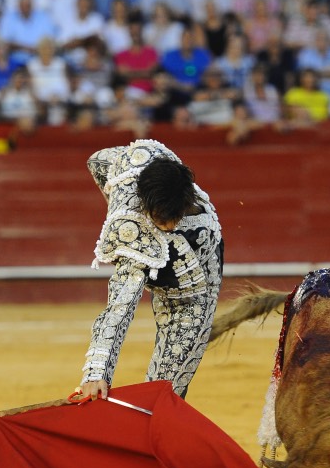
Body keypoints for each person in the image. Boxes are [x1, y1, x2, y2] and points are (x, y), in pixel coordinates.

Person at [75, 140, 224, 400]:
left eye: (173, 217)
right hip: (142, 248)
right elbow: (120, 307)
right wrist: (96, 373)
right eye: (159, 218)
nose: (167, 226)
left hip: (191, 295)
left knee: (163, 394)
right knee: (161, 396)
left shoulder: (194, 213)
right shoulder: (134, 227)